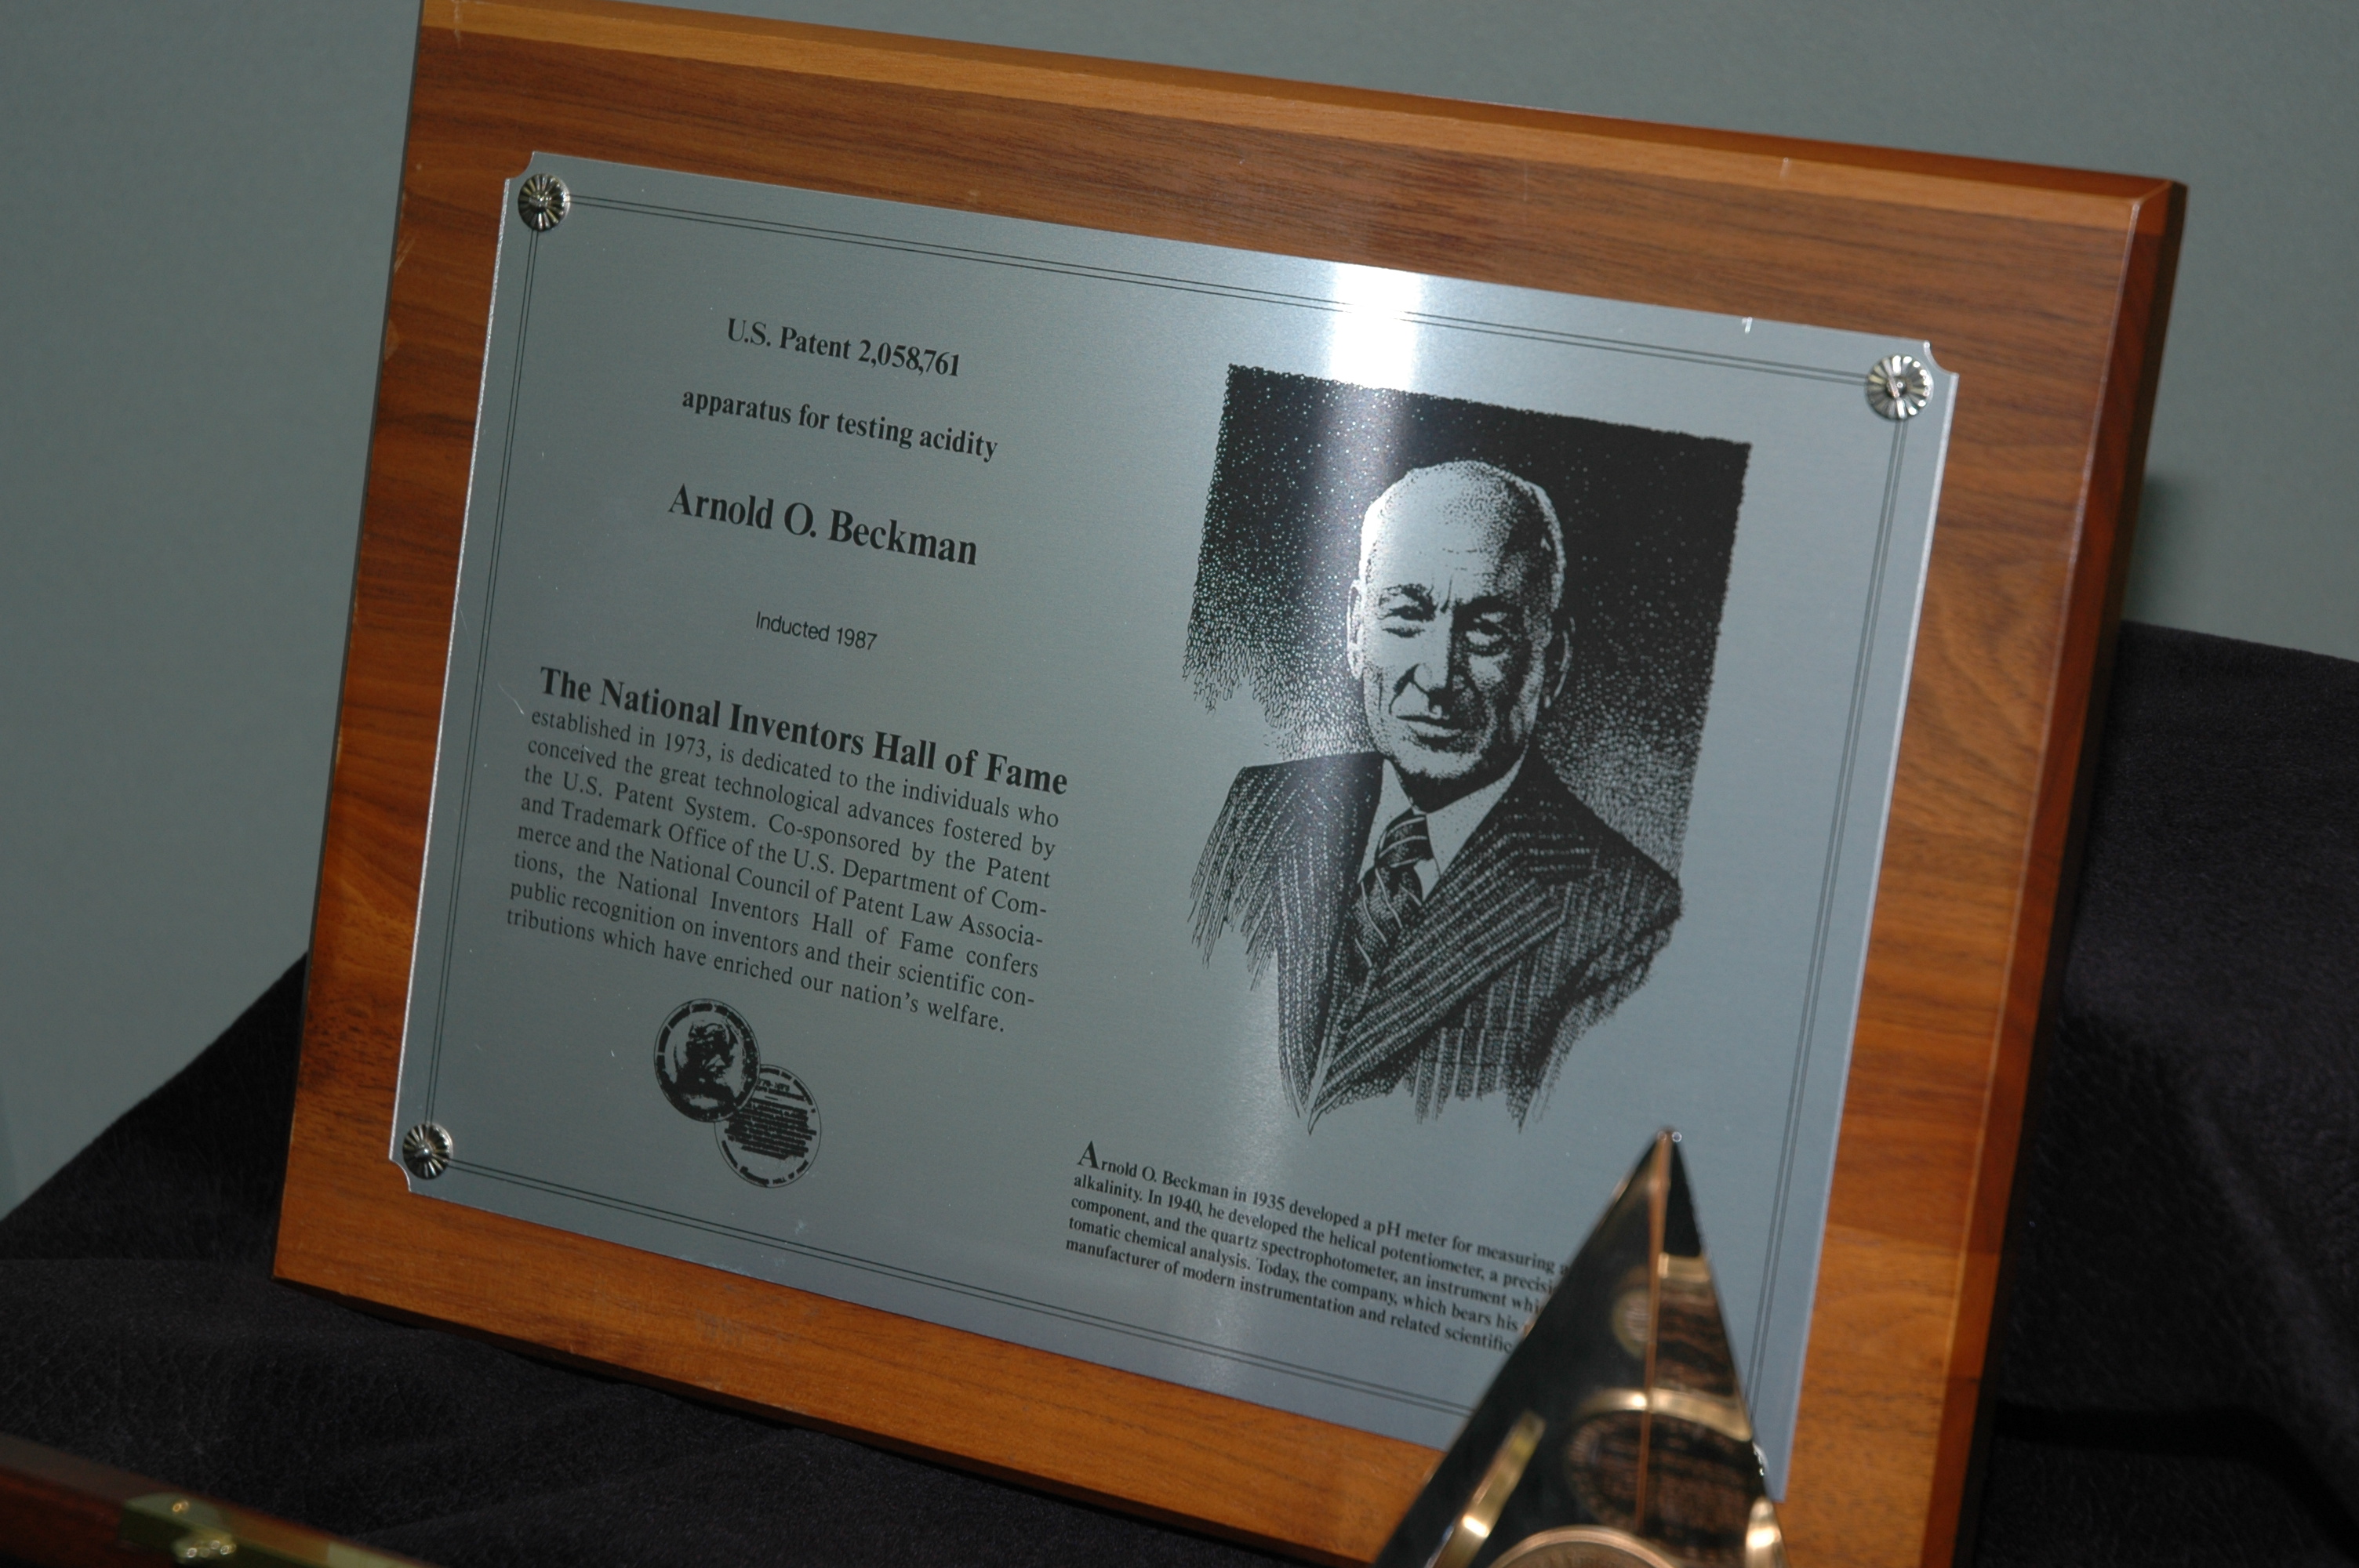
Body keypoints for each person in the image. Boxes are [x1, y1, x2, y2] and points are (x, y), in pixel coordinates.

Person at [1190, 459, 1680, 1127]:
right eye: (1406, 615)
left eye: (1487, 630)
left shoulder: (1627, 920)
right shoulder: (1258, 807)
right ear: (1356, 629)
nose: (1438, 676)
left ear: (1554, 659)